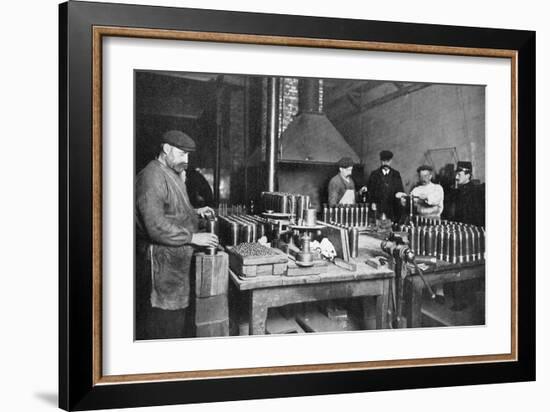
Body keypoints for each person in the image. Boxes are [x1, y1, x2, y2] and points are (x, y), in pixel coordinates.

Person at [135, 130, 218, 340]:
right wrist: (192, 238)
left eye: (188, 155)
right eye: (182, 154)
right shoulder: (152, 176)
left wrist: (195, 212)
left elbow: (172, 210)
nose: (187, 160)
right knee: (163, 324)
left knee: (176, 321)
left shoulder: (170, 173)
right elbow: (156, 225)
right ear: (166, 149)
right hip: (161, 266)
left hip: (175, 265)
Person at [367, 150, 404, 221]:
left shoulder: (396, 174)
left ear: (391, 161)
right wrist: (372, 202)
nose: (385, 163)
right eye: (383, 161)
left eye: (388, 161)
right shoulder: (374, 174)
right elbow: (370, 191)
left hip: (392, 209)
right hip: (378, 208)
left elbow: (400, 190)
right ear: (380, 161)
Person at [450, 161, 485, 227]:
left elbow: (478, 218)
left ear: (468, 175)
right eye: (456, 174)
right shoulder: (457, 191)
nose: (456, 177)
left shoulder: (476, 192)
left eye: (459, 175)